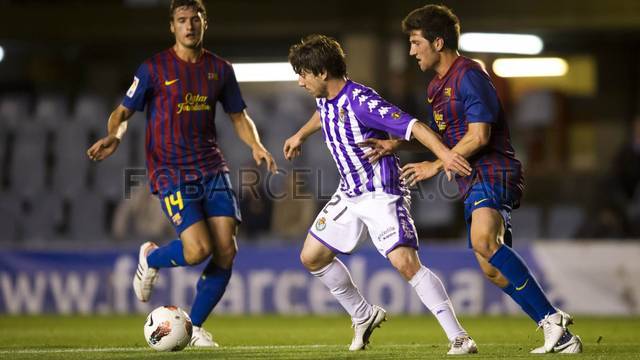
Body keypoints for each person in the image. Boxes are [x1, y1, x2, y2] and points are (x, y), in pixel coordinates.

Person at [364, 4, 582, 354]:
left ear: (437, 42)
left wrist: (435, 165)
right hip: (472, 178)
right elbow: (441, 136)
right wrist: (396, 143)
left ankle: (552, 320)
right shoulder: (436, 87)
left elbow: (480, 136)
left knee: (483, 240)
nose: (410, 51)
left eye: (415, 42)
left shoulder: (470, 75)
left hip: (494, 169)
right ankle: (558, 331)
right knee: (491, 267)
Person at [86, 0, 276, 347]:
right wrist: (114, 136)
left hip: (212, 168)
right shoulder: (153, 69)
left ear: (205, 23)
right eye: (182, 20)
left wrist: (256, 145)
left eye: (195, 19)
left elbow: (238, 116)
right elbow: (123, 112)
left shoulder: (220, 69)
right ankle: (151, 257)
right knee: (197, 250)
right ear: (172, 26)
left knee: (226, 250)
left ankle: (194, 328)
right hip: (171, 170)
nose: (189, 26)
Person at [283, 34, 477, 354]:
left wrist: (444, 156)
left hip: (381, 191)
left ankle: (459, 336)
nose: (300, 82)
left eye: (303, 74)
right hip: (349, 193)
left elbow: (414, 126)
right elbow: (323, 113)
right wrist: (300, 134)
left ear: (322, 73)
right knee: (312, 257)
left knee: (405, 262)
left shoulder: (362, 101)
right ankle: (362, 315)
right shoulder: (325, 97)